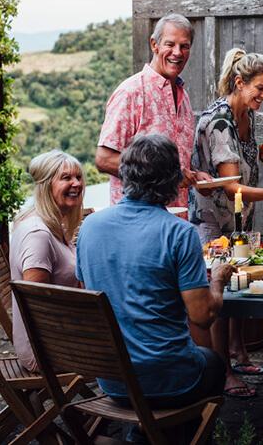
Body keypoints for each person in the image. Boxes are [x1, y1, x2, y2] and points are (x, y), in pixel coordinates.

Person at [77, 134, 232, 410]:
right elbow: (202, 317)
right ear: (173, 180)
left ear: (124, 173)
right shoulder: (179, 233)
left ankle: (144, 432)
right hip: (170, 380)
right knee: (215, 363)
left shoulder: (90, 226)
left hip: (112, 380)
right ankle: (182, 433)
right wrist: (218, 280)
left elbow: (85, 293)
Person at [190, 48, 263, 398]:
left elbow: (244, 161)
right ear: (239, 83)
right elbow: (232, 185)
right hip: (212, 220)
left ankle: (239, 352)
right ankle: (224, 372)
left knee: (238, 281)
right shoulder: (221, 122)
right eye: (260, 89)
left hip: (238, 217)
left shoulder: (245, 117)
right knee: (221, 293)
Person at [95, 13, 211, 209]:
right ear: (154, 45)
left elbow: (177, 165)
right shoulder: (131, 92)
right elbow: (104, 160)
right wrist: (167, 176)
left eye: (184, 46)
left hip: (176, 222)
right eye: (170, 44)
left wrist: (193, 176)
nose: (177, 52)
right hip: (137, 222)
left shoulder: (184, 98)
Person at [10, 150, 85, 372]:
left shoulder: (52, 224)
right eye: (66, 178)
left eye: (79, 177)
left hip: (58, 338)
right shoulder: (38, 235)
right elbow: (37, 306)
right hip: (46, 352)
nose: (77, 184)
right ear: (45, 185)